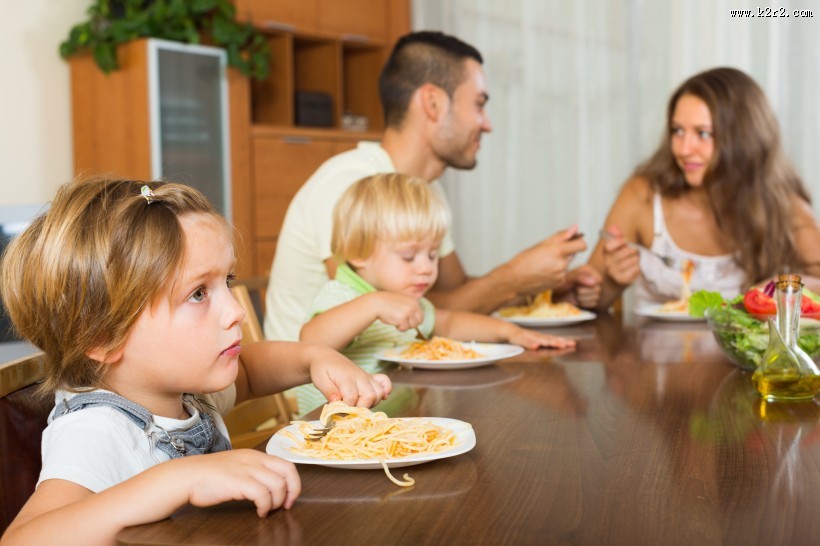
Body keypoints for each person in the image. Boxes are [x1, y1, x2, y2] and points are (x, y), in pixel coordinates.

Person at [0, 178, 391, 545]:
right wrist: (177, 480)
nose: (235, 311)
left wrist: (313, 358)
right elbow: (23, 539)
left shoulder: (183, 393)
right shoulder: (97, 430)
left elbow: (251, 371)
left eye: (228, 282)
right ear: (103, 336)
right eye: (199, 294)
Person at [265, 30, 601, 342]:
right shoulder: (353, 187)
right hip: (313, 399)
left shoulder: (422, 192)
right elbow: (389, 310)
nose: (488, 124)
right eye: (480, 104)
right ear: (433, 102)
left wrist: (539, 288)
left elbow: (453, 299)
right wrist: (513, 277)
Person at [293, 173, 576, 413]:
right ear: (358, 253)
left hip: (391, 423)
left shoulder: (405, 300)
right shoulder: (343, 295)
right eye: (408, 256)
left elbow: (449, 322)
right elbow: (312, 340)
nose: (425, 268)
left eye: (431, 254)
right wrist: (372, 305)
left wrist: (510, 332)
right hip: (332, 431)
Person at [586, 67, 820, 311]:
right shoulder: (642, 195)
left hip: (740, 351)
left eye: (703, 134)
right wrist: (612, 283)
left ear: (745, 139)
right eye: (678, 131)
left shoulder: (782, 205)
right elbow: (585, 300)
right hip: (649, 349)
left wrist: (782, 286)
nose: (684, 149)